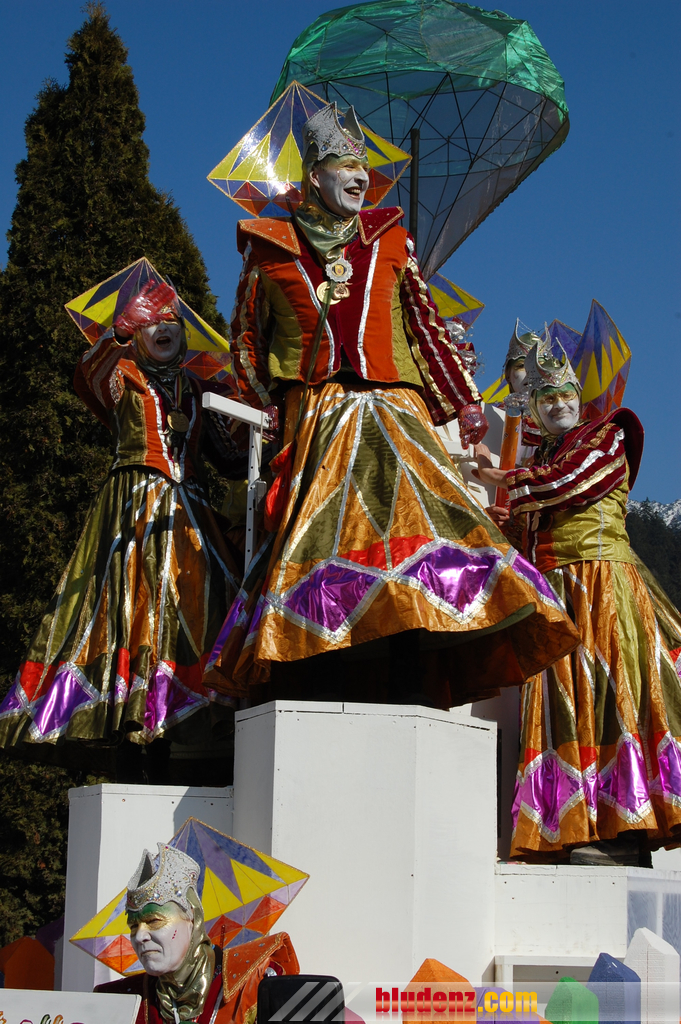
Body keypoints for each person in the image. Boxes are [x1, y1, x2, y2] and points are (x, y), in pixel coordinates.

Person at [205, 101, 580, 708]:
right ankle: (320, 675)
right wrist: (261, 404)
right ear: (314, 177)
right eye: (344, 165)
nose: (359, 176)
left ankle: (412, 676)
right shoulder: (269, 249)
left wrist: (464, 402)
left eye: (364, 167)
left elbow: (425, 327)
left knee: (423, 528)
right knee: (321, 540)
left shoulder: (391, 242)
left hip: (397, 412)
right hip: (320, 415)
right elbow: (246, 339)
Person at [0, 277, 242, 780]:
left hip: (191, 520)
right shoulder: (123, 374)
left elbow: (231, 457)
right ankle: (130, 744)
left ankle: (173, 740)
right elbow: (88, 378)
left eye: (170, 321)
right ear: (136, 332)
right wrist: (116, 334)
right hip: (133, 510)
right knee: (128, 613)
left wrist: (260, 416)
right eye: (151, 322)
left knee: (194, 616)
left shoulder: (199, 390)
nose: (163, 329)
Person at [474, 334, 681, 864]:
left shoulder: (607, 436)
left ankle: (625, 827)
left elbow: (574, 483)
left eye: (566, 393)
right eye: (547, 398)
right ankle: (576, 824)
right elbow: (536, 522)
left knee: (612, 695)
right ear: (535, 411)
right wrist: (507, 521)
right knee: (567, 706)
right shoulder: (545, 457)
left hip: (602, 585)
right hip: (558, 592)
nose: (560, 404)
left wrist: (506, 478)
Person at [96, 843, 300, 1023]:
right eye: (133, 927)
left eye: (154, 921)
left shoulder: (253, 983)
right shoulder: (123, 1001)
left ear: (193, 920)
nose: (140, 937)